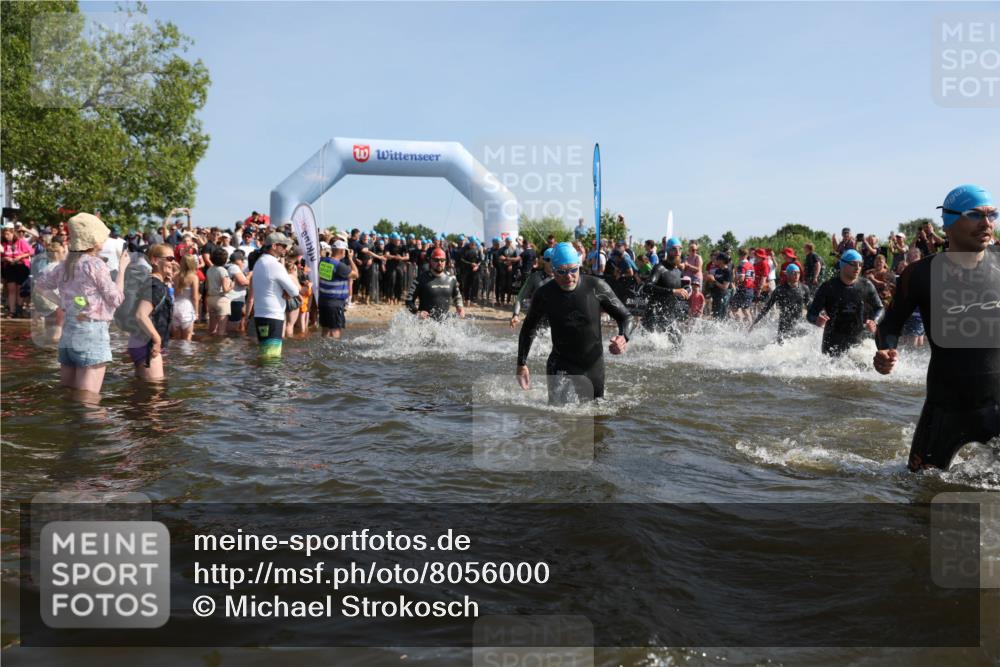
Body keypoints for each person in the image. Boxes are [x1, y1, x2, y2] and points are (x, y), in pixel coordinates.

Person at [874, 184, 999, 471]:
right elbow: (888, 326)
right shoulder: (920, 274)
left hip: (997, 406)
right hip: (944, 410)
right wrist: (885, 351)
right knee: (918, 499)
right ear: (950, 223)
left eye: (992, 214)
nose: (987, 223)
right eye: (975, 215)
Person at [516, 242, 634, 405]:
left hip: (593, 365)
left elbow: (627, 317)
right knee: (558, 419)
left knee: (597, 419)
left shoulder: (596, 287)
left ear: (579, 266)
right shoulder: (544, 294)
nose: (568, 276)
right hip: (560, 364)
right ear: (553, 270)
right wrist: (521, 364)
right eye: (562, 272)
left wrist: (623, 337)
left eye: (573, 270)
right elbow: (528, 329)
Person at [33, 213, 128, 396]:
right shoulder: (95, 264)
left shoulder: (64, 265)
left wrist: (61, 302)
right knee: (88, 403)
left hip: (69, 331)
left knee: (69, 397)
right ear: (94, 240)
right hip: (91, 332)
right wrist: (122, 269)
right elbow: (116, 299)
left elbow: (40, 286)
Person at [806, 248, 884, 356]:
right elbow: (810, 314)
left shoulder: (866, 285)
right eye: (853, 264)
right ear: (842, 265)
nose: (858, 268)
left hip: (857, 341)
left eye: (860, 264)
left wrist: (874, 321)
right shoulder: (828, 287)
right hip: (832, 342)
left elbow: (880, 308)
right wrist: (816, 320)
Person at [128, 244, 175, 381]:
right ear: (154, 260)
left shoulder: (152, 282)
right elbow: (141, 315)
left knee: (143, 388)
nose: (173, 262)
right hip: (148, 344)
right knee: (155, 392)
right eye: (169, 258)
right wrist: (157, 340)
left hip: (140, 341)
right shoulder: (155, 285)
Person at [249, 232, 299, 358]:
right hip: (273, 316)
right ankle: (270, 378)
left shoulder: (259, 262)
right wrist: (288, 290)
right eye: (284, 246)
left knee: (265, 354)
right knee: (272, 357)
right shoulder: (274, 265)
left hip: (260, 314)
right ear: (274, 246)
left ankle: (262, 377)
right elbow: (294, 291)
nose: (286, 249)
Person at [750, 264, 809, 343]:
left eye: (798, 273)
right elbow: (767, 307)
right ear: (788, 274)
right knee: (781, 346)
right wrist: (755, 322)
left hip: (799, 323)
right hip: (784, 324)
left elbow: (809, 305)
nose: (796, 275)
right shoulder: (780, 290)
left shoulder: (804, 288)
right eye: (794, 273)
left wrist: (818, 316)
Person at [643, 237, 688, 336]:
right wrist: (672, 291)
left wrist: (687, 289)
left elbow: (681, 287)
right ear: (668, 250)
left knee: (679, 345)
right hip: (653, 317)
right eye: (674, 249)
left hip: (669, 317)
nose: (678, 252)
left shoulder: (678, 272)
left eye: (680, 249)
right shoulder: (659, 268)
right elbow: (647, 287)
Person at [406, 247, 465, 319]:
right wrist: (417, 312)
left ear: (445, 261)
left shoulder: (451, 279)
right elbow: (409, 301)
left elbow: (457, 296)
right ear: (430, 261)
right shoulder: (420, 279)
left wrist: (460, 308)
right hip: (425, 324)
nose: (439, 263)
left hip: (444, 324)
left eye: (442, 260)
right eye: (436, 260)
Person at [317, 240, 358, 338]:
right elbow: (356, 275)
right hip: (335, 303)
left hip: (323, 301)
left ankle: (323, 350)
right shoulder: (339, 266)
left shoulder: (322, 261)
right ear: (342, 251)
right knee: (335, 330)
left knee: (325, 329)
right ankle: (334, 352)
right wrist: (351, 259)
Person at [511, 246, 554, 327]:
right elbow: (520, 297)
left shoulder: (562, 277)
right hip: (536, 320)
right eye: (548, 260)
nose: (551, 263)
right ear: (544, 260)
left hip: (554, 321)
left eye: (554, 260)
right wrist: (515, 315)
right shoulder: (535, 277)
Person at [2, 224, 34, 317]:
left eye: (8, 234)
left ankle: (19, 308)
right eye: (5, 234)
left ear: (12, 233)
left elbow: (31, 252)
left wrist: (20, 256)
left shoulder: (20, 241)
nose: (6, 236)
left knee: (20, 289)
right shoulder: (4, 244)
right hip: (9, 267)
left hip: (21, 267)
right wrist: (5, 259)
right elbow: (2, 257)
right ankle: (12, 311)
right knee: (11, 289)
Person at [204, 247, 233, 337]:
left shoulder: (210, 269)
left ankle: (210, 348)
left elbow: (206, 286)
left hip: (211, 299)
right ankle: (219, 350)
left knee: (211, 330)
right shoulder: (223, 271)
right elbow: (225, 289)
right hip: (221, 300)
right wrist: (232, 285)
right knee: (221, 332)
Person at [171, 254, 199, 340]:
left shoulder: (175, 275)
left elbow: (174, 293)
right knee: (187, 339)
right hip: (187, 307)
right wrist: (196, 312)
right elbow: (195, 297)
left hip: (175, 306)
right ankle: (185, 354)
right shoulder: (193, 277)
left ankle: (176, 353)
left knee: (176, 338)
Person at [224, 250, 250, 334]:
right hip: (234, 300)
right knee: (232, 329)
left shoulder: (228, 266)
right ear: (237, 261)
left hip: (231, 299)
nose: (243, 262)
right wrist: (250, 275)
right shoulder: (234, 267)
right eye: (242, 260)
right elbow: (243, 282)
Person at [705, 253, 732, 319]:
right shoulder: (718, 270)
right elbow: (714, 283)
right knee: (714, 316)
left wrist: (713, 280)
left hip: (722, 296)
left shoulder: (727, 272)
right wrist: (709, 280)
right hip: (715, 296)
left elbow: (725, 287)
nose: (715, 260)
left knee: (720, 317)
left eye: (717, 259)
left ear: (722, 260)